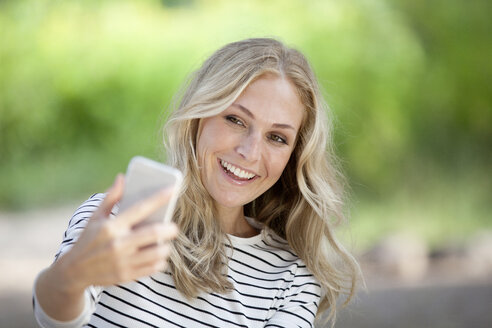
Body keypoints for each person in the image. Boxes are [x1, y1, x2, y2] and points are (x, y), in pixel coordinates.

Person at [33, 38, 361, 327]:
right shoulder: (117, 222)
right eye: (235, 119)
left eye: (277, 137)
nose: (249, 152)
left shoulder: (293, 278)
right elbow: (53, 317)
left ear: (294, 155)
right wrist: (71, 277)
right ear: (198, 117)